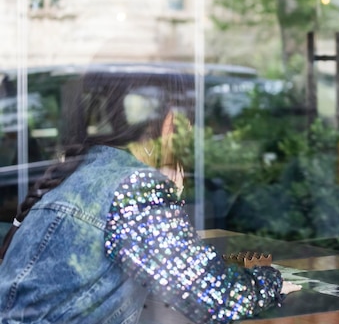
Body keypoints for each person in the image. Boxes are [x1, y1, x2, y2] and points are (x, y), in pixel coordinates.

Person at [0, 69, 301, 323]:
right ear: (169, 121)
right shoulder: (133, 189)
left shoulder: (83, 173)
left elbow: (167, 269)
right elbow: (218, 298)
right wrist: (270, 281)